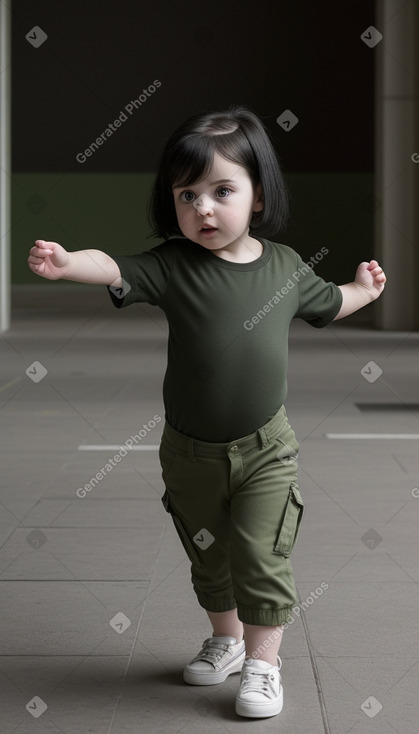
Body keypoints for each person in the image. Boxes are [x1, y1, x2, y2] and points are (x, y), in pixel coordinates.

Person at [27, 105, 386, 720]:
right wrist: (69, 265)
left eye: (222, 191)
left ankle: (264, 665)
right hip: (189, 452)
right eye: (187, 195)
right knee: (209, 557)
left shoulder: (285, 267)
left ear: (258, 197)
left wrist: (365, 289)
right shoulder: (172, 265)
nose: (204, 209)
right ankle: (226, 639)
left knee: (261, 553)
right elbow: (114, 265)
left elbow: (331, 301)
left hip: (267, 447)